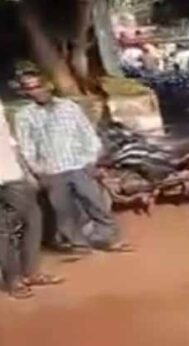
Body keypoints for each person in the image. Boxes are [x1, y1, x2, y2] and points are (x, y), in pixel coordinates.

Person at [14, 73, 131, 253]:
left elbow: (87, 133)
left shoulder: (69, 107)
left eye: (38, 86)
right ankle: (77, 243)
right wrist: (38, 171)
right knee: (63, 210)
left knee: (95, 204)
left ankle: (107, 239)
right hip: (52, 170)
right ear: (25, 92)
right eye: (30, 88)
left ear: (48, 86)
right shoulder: (24, 116)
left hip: (80, 165)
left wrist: (92, 160)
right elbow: (26, 146)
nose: (36, 91)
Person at [0, 99, 61, 299]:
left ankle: (31, 271)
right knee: (3, 232)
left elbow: (9, 141)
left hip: (12, 173)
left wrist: (27, 172)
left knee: (33, 218)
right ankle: (13, 280)